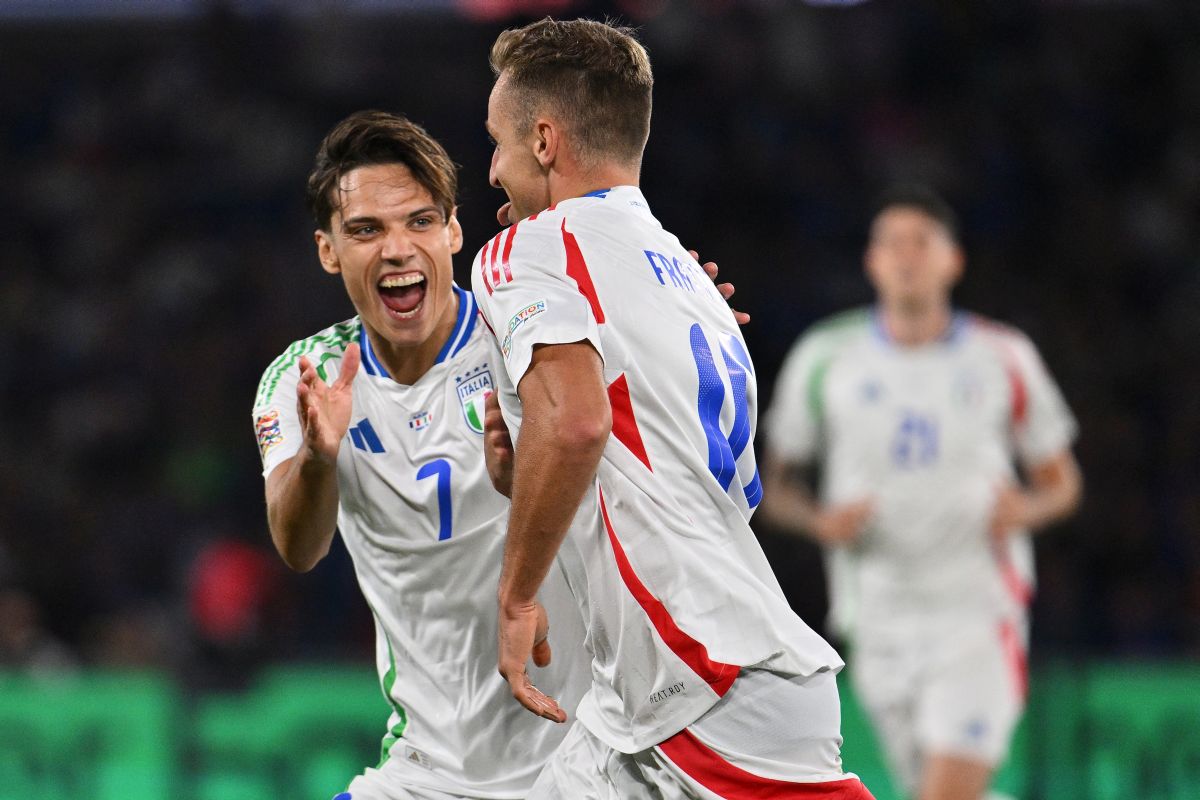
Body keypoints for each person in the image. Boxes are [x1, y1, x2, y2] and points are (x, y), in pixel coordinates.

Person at [473, 18, 873, 798]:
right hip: (648, 698)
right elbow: (703, 487)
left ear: (545, 141)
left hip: (706, 685)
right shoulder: (690, 282)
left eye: (497, 142)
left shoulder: (528, 248)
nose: (491, 170)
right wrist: (524, 467)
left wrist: (517, 595)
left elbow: (578, 423)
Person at [251, 110, 593, 800]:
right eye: (365, 230)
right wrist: (319, 457)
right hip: (426, 769)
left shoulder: (527, 340)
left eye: (420, 221)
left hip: (581, 758)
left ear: (453, 231)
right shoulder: (304, 378)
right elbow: (298, 547)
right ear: (328, 250)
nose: (398, 249)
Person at [760, 185, 1083, 800]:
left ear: (952, 260)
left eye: (921, 242)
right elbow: (775, 486)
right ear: (871, 261)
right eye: (892, 243)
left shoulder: (1003, 356)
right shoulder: (826, 357)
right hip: (875, 613)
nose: (906, 256)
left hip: (976, 612)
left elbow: (1062, 482)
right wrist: (818, 520)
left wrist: (1026, 508)